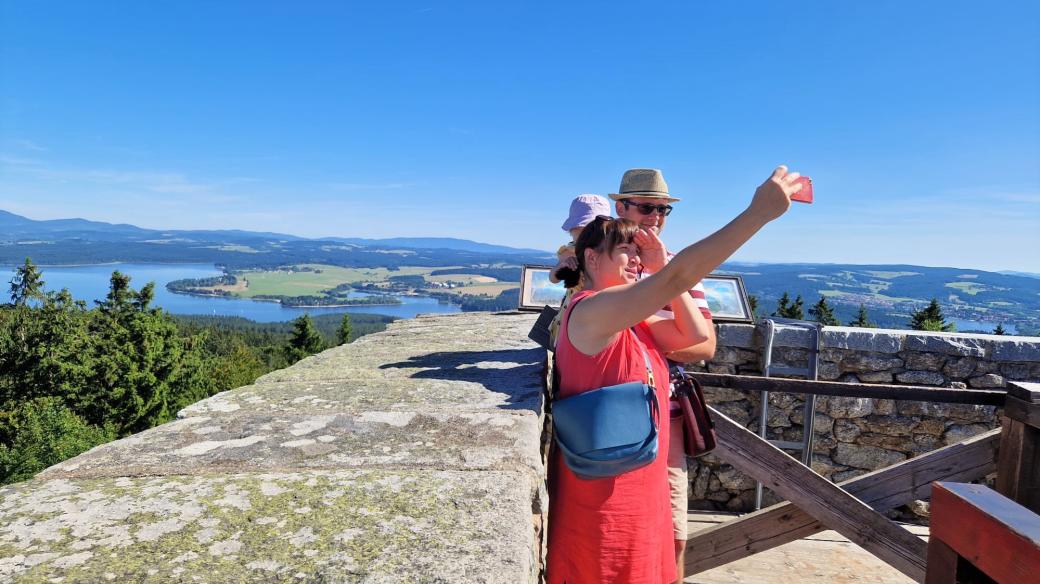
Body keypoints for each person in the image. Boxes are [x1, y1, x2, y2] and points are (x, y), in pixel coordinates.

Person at [547, 165, 803, 584]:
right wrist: (757, 213)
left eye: (638, 252)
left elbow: (697, 336)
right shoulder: (592, 310)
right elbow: (678, 277)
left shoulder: (632, 317)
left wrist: (660, 264)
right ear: (591, 258)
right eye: (625, 251)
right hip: (607, 495)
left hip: (640, 480)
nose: (636, 259)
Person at [612, 168, 716, 581]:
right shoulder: (604, 258)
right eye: (646, 207)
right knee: (615, 526)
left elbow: (705, 346)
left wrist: (635, 340)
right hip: (609, 413)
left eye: (663, 210)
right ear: (621, 208)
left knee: (673, 531)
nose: (655, 217)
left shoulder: (680, 268)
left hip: (664, 418)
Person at [548, 194, 612, 347]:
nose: (588, 236)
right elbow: (553, 278)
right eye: (582, 230)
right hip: (573, 312)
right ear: (572, 231)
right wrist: (562, 267)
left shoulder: (609, 251)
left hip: (598, 311)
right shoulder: (569, 252)